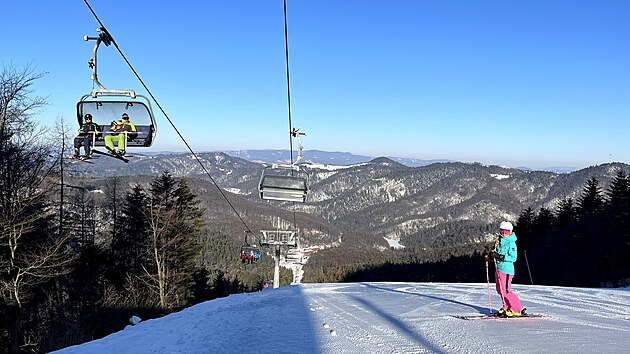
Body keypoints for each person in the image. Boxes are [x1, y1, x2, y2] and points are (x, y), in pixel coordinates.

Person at [488, 221, 525, 317]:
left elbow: (514, 258)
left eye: (507, 231)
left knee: (506, 291)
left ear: (510, 232)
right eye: (502, 231)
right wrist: (491, 257)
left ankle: (516, 309)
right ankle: (506, 306)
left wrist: (500, 256)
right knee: (500, 290)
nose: (504, 233)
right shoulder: (499, 241)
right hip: (499, 269)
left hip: (507, 270)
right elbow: (495, 253)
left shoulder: (511, 243)